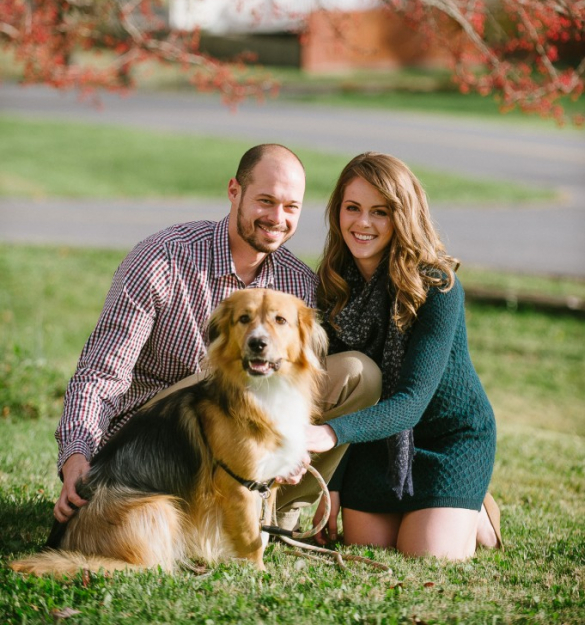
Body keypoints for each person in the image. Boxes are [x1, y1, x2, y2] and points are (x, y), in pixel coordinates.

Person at [54, 143, 381, 525]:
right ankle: (194, 516)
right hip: (151, 447)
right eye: (265, 201)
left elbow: (299, 389)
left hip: (245, 438)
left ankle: (271, 515)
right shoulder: (164, 259)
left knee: (358, 375)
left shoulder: (299, 285)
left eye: (291, 207)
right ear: (234, 191)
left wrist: (295, 446)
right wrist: (77, 457)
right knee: (224, 375)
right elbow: (101, 374)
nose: (277, 218)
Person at [306, 152, 501, 560]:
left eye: (381, 212)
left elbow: (411, 404)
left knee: (428, 554)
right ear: (337, 211)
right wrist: (335, 486)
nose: (363, 223)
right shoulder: (334, 284)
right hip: (378, 441)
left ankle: (475, 506)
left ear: (403, 216)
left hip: (448, 438)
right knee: (366, 545)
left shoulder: (438, 287)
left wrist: (328, 435)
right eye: (352, 208)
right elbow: (348, 397)